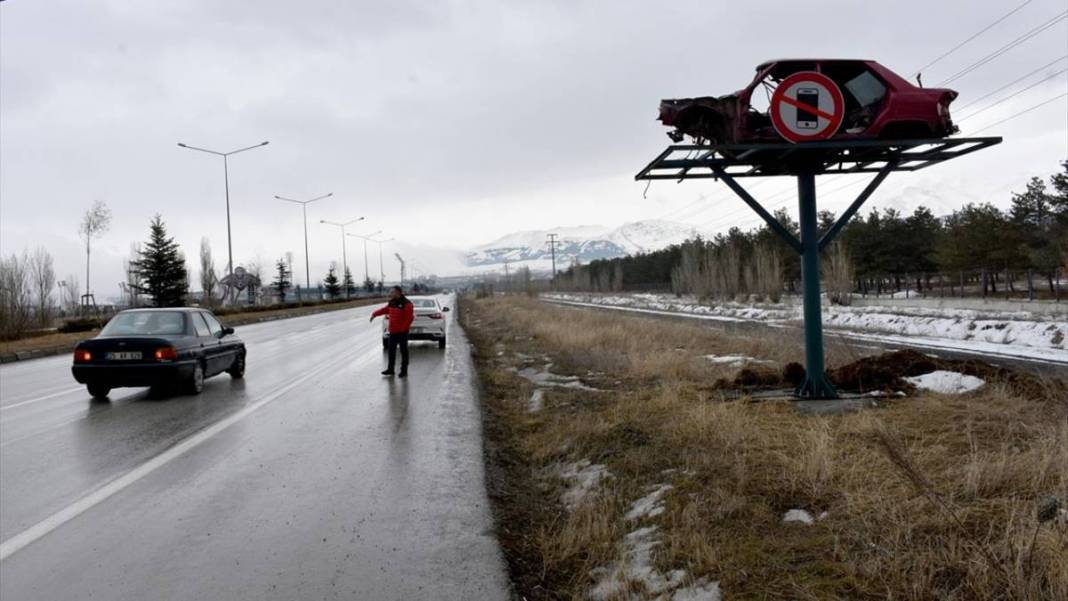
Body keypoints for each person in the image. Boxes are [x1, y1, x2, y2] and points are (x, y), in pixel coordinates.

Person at [370, 286, 414, 377]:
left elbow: (409, 318)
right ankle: (390, 369)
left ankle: (404, 371)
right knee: (391, 351)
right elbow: (385, 310)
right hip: (393, 332)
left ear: (398, 293)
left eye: (392, 292)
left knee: (403, 351)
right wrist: (374, 314)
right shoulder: (392, 302)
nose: (390, 293)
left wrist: (403, 329)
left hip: (402, 333)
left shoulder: (407, 304)